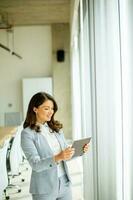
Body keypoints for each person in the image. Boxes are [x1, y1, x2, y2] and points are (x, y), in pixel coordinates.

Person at [21, 92, 89, 200]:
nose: (51, 112)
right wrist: (59, 157)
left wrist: (79, 151)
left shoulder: (56, 128)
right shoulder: (27, 134)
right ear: (35, 109)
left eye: (52, 108)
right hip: (44, 188)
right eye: (46, 108)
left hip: (64, 183)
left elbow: (66, 153)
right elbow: (35, 164)